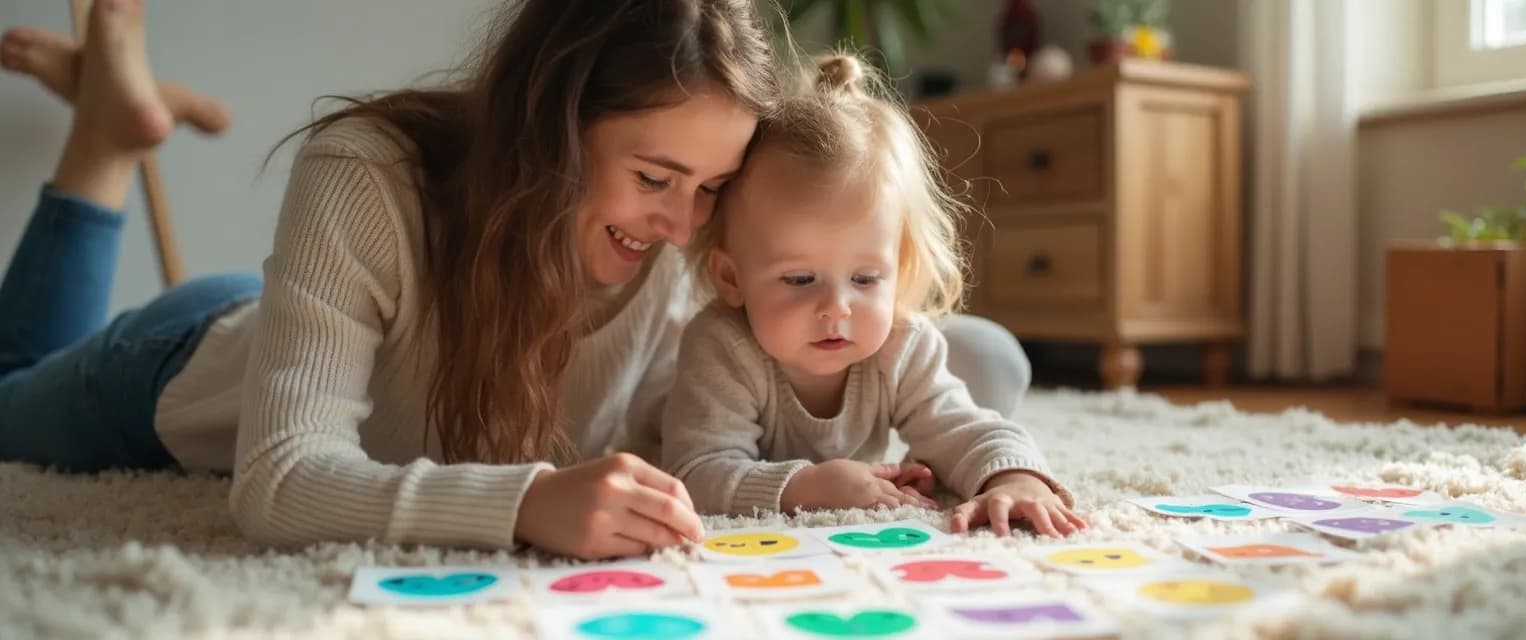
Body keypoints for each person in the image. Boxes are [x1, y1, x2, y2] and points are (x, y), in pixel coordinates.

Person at [0, 0, 1036, 559]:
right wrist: (527, 500)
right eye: (654, 178)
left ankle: (103, 118)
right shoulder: (367, 171)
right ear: (549, 130)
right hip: (189, 362)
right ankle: (100, 144)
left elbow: (901, 353)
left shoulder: (696, 234)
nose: (686, 222)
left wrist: (991, 447)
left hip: (304, 317)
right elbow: (278, 483)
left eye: (715, 186)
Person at [662, 54, 1084, 538]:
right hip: (673, 410)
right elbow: (694, 474)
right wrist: (802, 486)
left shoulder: (901, 344)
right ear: (732, 277)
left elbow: (962, 425)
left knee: (987, 366)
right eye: (800, 280)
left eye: (865, 279)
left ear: (897, 268)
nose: (837, 307)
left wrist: (1015, 477)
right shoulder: (721, 346)